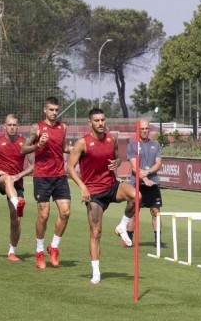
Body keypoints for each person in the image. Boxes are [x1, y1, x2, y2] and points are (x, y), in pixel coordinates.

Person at [67, 108, 135, 284]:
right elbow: (70, 168)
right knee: (96, 232)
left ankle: (122, 226)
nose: (100, 123)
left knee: (137, 196)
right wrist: (83, 187)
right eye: (96, 120)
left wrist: (117, 162)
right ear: (90, 123)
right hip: (94, 192)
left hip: (112, 185)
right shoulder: (83, 143)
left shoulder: (111, 139)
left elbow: (118, 158)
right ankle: (96, 272)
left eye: (103, 120)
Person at [22, 96, 74, 269]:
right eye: (50, 110)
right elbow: (23, 149)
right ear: (44, 110)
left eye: (56, 110)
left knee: (65, 212)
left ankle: (54, 246)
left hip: (59, 175)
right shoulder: (37, 128)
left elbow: (62, 147)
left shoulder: (63, 127)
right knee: (44, 215)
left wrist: (72, 149)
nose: (54, 113)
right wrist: (38, 145)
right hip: (42, 176)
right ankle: (39, 251)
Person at [0, 113, 34, 261]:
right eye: (9, 125)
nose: (12, 128)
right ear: (5, 126)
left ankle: (12, 251)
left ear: (18, 127)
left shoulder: (24, 144)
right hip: (1, 179)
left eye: (14, 125)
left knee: (16, 219)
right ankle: (17, 203)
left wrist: (20, 175)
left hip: (17, 181)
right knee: (7, 179)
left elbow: (33, 165)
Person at [120, 119, 164, 246]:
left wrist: (147, 172)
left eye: (147, 129)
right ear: (138, 130)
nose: (145, 131)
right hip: (137, 184)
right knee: (133, 213)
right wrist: (144, 178)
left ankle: (158, 241)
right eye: (142, 129)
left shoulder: (155, 145)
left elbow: (159, 164)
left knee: (155, 211)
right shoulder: (132, 146)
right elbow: (134, 167)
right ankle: (128, 239)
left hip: (153, 183)